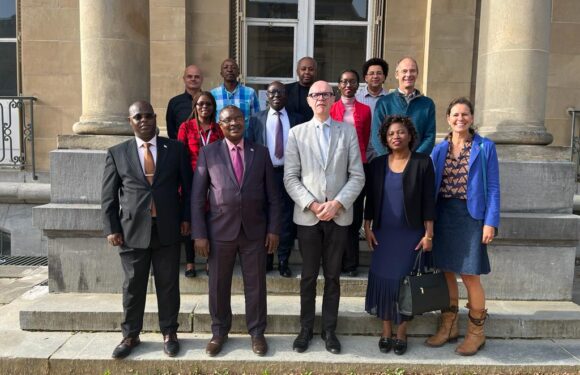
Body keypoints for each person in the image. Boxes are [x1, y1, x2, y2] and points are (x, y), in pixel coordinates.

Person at [102, 101, 192, 359]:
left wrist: (187, 218)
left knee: (168, 284)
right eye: (137, 117)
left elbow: (188, 188)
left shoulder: (174, 149)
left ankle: (169, 333)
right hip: (131, 231)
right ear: (130, 121)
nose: (144, 120)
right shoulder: (118, 153)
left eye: (148, 115)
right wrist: (111, 228)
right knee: (133, 285)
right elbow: (108, 196)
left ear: (155, 118)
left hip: (168, 228)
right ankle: (130, 335)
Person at [192, 105, 282, 357]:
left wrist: (274, 229)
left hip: (254, 232)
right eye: (228, 120)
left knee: (256, 285)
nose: (234, 123)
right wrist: (199, 234)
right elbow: (198, 198)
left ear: (245, 122)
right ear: (219, 125)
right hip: (219, 232)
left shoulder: (261, 152)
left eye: (238, 119)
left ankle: (257, 333)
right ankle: (219, 332)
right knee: (218, 285)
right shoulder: (209, 153)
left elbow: (274, 197)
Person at [284, 80, 365, 355]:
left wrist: (338, 204)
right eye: (315, 94)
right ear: (308, 101)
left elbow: (357, 175)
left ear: (334, 100)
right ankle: (305, 329)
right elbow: (291, 177)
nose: (320, 98)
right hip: (308, 217)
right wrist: (313, 204)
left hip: (339, 217)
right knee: (308, 277)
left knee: (333, 277)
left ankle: (329, 330)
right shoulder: (296, 133)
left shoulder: (348, 132)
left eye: (326, 94)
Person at [426, 97, 500, 356]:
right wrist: (429, 222)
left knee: (470, 275)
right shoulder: (439, 149)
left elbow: (493, 187)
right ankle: (448, 326)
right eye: (455, 114)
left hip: (471, 218)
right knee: (445, 271)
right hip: (444, 214)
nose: (460, 118)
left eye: (465, 114)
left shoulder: (485, 147)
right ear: (448, 118)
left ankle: (476, 334)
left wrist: (490, 222)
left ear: (471, 117)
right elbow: (431, 187)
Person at [363, 115, 435, 356]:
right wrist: (367, 226)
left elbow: (428, 202)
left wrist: (429, 234)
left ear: (410, 135)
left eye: (401, 132)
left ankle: (402, 332)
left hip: (410, 234)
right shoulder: (377, 164)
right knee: (384, 280)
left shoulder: (423, 162)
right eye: (391, 133)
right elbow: (370, 200)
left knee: (405, 283)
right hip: (384, 233)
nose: (396, 136)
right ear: (385, 137)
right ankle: (385, 330)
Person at [246, 81, 304, 277]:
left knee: (286, 218)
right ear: (267, 97)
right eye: (272, 93)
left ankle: (283, 261)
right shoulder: (256, 119)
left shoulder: (297, 119)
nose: (276, 95)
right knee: (264, 217)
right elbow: (250, 148)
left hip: (289, 174)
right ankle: (267, 260)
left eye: (280, 92)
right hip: (264, 175)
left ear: (286, 95)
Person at [177, 91, 224, 277]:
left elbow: (223, 154)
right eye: (201, 104)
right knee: (189, 219)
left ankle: (209, 261)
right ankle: (190, 262)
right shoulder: (186, 127)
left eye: (208, 104)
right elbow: (180, 155)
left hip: (213, 179)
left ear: (213, 108)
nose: (204, 107)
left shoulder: (218, 129)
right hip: (190, 178)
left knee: (210, 218)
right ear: (195, 107)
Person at [329, 69, 371, 277]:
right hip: (336, 167)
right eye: (344, 81)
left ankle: (351, 264)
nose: (348, 85)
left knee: (353, 218)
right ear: (338, 85)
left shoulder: (365, 110)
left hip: (358, 166)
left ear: (358, 85)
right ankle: (334, 262)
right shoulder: (331, 108)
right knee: (336, 215)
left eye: (352, 82)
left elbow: (364, 137)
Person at [371, 57, 436, 157]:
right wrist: (393, 159)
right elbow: (376, 136)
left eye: (412, 71)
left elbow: (429, 136)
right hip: (389, 164)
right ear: (397, 74)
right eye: (404, 71)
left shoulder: (427, 104)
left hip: (417, 164)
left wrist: (413, 160)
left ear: (417, 74)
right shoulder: (384, 103)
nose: (408, 75)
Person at [210, 59, 260, 128]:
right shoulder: (213, 94)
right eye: (226, 67)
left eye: (233, 67)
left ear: (238, 73)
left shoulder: (250, 93)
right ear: (221, 73)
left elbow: (257, 120)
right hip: (220, 137)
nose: (229, 70)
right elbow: (210, 120)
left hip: (245, 137)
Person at [356, 57, 390, 162]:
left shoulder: (390, 100)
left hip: (384, 152)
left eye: (379, 73)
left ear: (384, 77)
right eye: (371, 73)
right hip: (360, 152)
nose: (375, 76)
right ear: (365, 77)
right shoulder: (356, 99)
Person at [166, 64, 204, 139]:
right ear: (184, 79)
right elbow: (171, 131)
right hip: (182, 148)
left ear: (202, 79)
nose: (193, 79)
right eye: (189, 76)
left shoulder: (209, 101)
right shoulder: (174, 102)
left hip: (206, 148)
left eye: (197, 77)